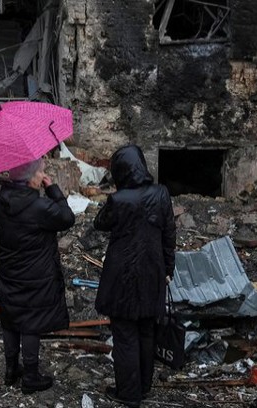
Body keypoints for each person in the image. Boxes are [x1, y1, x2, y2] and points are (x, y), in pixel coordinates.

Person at [94, 145, 176, 408]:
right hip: (153, 272)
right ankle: (143, 386)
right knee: (146, 330)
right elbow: (169, 235)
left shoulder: (119, 200)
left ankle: (129, 393)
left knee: (125, 334)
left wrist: (114, 198)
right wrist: (168, 269)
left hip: (123, 275)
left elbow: (99, 223)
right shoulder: (161, 194)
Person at [0, 157, 75, 393]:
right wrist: (53, 189)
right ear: (29, 178)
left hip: (9, 270)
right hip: (35, 274)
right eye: (40, 172)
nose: (43, 175)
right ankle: (30, 376)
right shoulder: (38, 207)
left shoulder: (0, 201)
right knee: (30, 323)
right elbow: (67, 218)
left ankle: (10, 370)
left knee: (11, 319)